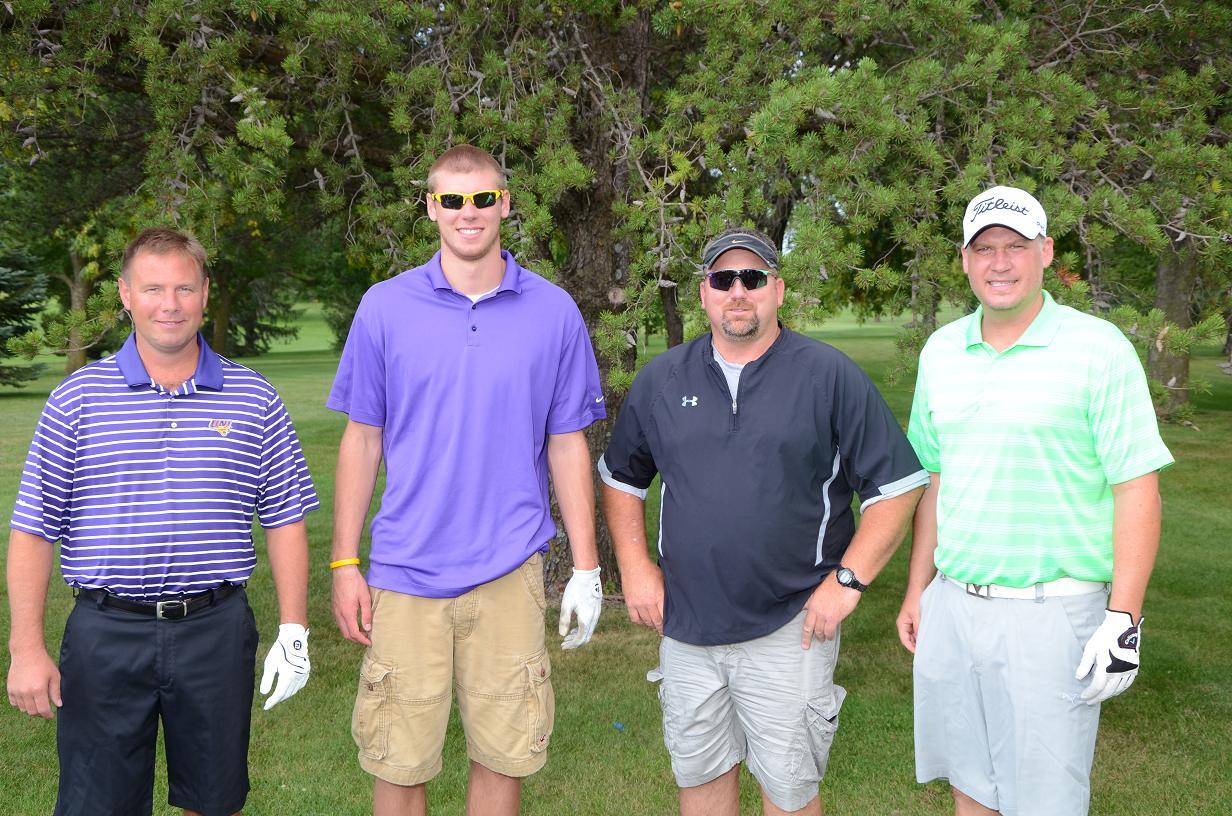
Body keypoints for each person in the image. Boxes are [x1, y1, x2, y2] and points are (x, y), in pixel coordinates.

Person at [600, 227, 928, 816]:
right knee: (700, 778)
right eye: (723, 279)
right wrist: (634, 565)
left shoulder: (828, 375)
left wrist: (847, 582)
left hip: (791, 624)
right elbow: (622, 478)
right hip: (687, 624)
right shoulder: (663, 379)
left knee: (789, 790)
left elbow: (898, 488)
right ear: (704, 293)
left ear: (777, 289)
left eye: (752, 279)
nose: (738, 292)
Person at [327, 144, 607, 816]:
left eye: (483, 197)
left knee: (502, 757)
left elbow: (567, 442)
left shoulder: (554, 311)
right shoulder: (385, 307)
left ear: (505, 204)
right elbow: (362, 440)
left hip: (509, 570)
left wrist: (588, 569)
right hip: (405, 572)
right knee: (398, 761)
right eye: (452, 199)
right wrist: (343, 563)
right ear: (431, 208)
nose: (469, 212)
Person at [6, 228, 318, 816]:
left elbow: (285, 519)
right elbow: (32, 529)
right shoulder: (77, 399)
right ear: (125, 294)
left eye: (183, 287)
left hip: (215, 630)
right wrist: (25, 647)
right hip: (106, 633)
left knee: (213, 799)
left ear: (205, 293)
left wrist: (295, 627)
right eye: (153, 288)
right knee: (99, 804)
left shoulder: (254, 398)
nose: (168, 304)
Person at [896, 185, 1174, 816]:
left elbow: (1138, 487)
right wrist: (920, 588)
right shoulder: (941, 351)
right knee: (970, 788)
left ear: (1046, 253)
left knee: (1044, 803)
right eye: (985, 248)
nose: (1000, 262)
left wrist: (1124, 618)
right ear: (964, 261)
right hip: (956, 606)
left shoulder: (1100, 350)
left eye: (1016, 247)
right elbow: (935, 480)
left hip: (1054, 615)